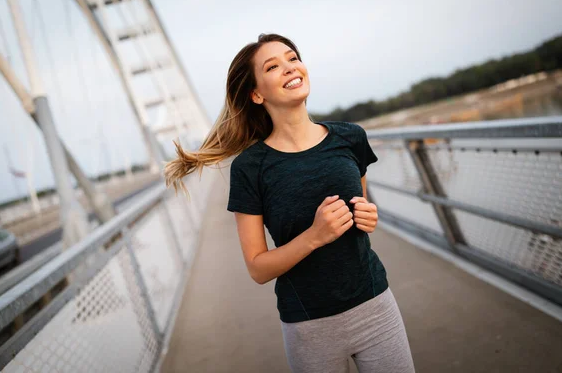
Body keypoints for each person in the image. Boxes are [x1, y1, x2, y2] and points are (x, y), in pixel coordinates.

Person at [164, 33, 415, 373]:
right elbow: (257, 268)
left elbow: (363, 211)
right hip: (309, 327)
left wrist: (370, 216)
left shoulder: (350, 137)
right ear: (256, 93)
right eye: (273, 66)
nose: (289, 68)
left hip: (376, 306)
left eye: (292, 58)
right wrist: (315, 235)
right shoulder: (250, 168)